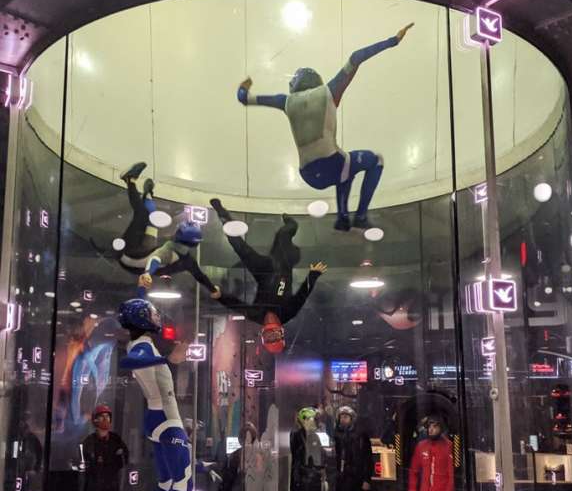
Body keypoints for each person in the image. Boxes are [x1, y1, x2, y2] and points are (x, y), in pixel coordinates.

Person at [236, 23, 414, 231]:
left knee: (346, 167)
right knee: (375, 160)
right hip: (333, 165)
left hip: (308, 174)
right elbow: (356, 57)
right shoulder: (329, 91)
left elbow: (243, 98)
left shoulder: (285, 101)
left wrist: (244, 86)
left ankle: (342, 219)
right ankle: (360, 216)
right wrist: (393, 40)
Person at [118, 297, 217, 491]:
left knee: (166, 484)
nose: (156, 316)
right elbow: (128, 361)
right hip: (166, 421)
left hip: (156, 419)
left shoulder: (138, 342)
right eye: (150, 313)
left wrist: (143, 284)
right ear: (140, 319)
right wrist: (167, 359)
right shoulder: (141, 347)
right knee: (182, 485)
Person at [210, 199, 326, 353]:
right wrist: (313, 275)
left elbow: (236, 305)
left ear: (263, 335)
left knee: (238, 246)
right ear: (281, 333)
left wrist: (220, 296)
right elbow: (302, 295)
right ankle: (291, 223)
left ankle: (221, 212)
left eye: (268, 337)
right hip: (283, 264)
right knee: (284, 233)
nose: (271, 334)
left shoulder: (256, 316)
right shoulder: (288, 313)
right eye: (275, 336)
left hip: (263, 271)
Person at [115, 163, 221, 298]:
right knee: (151, 221)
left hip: (127, 255)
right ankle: (148, 196)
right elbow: (200, 276)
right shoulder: (188, 261)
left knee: (142, 215)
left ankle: (129, 180)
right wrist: (213, 290)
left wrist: (147, 274)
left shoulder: (169, 251)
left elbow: (155, 259)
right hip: (144, 251)